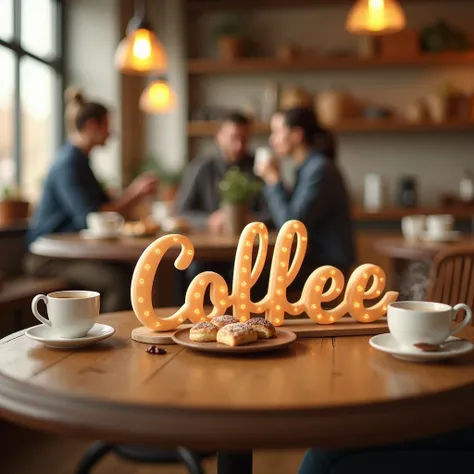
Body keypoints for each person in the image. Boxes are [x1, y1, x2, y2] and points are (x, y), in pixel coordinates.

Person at [24, 88, 158, 312]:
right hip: (48, 257)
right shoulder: (69, 164)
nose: (111, 133)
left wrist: (128, 195)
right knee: (118, 281)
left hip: (71, 251)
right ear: (92, 126)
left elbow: (105, 207)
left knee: (135, 271)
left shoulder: (81, 162)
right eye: (107, 125)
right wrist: (136, 192)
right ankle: (108, 341)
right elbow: (93, 217)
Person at [255, 107, 355, 290]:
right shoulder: (308, 168)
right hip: (313, 262)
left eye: (276, 132)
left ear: (297, 135)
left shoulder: (319, 170)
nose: (272, 140)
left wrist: (273, 180)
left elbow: (291, 225)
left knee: (250, 279)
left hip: (326, 269)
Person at [175, 112, 270, 294]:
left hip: (250, 251)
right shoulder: (201, 167)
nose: (239, 145)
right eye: (234, 138)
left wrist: (254, 220)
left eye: (244, 138)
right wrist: (208, 220)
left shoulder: (259, 168)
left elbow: (274, 213)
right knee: (196, 273)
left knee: (257, 275)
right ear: (219, 137)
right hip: (206, 252)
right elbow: (181, 211)